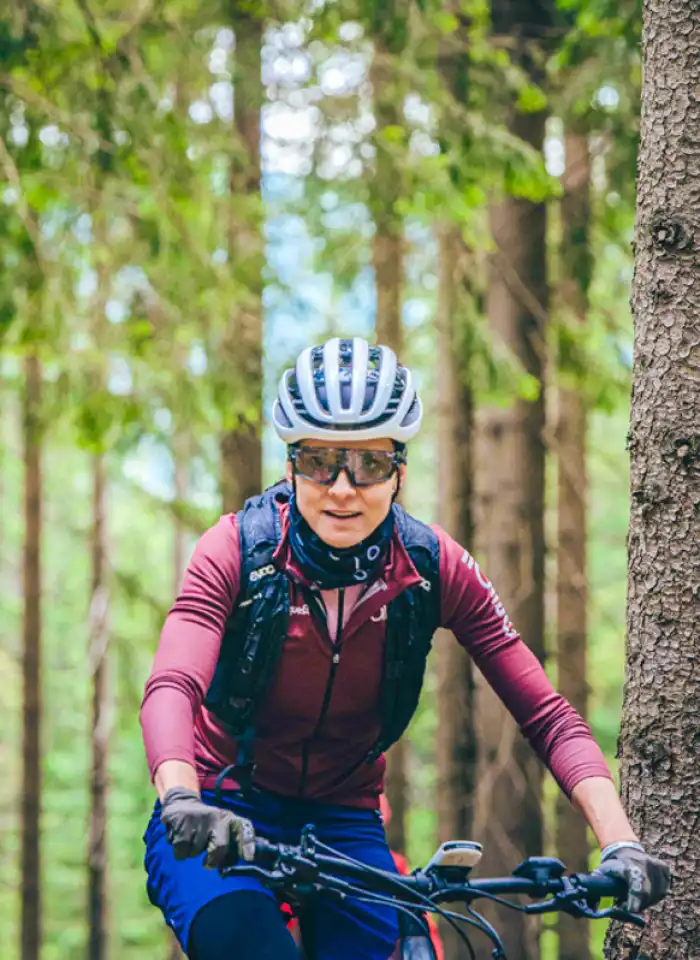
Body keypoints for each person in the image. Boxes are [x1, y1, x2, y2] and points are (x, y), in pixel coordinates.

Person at [141, 337, 669, 960]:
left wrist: (621, 844)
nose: (342, 488)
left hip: (343, 820)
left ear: (399, 471)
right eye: (318, 460)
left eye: (368, 464)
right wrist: (180, 796)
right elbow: (172, 685)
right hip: (219, 810)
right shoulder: (237, 550)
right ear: (289, 466)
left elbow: (547, 717)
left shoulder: (433, 567)